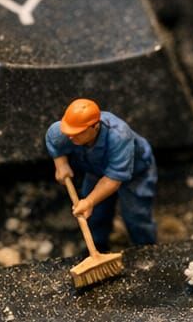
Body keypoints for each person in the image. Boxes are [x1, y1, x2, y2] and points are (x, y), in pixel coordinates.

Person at [46, 98, 157, 252]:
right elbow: (53, 139)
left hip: (135, 174)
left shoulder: (119, 136)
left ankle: (146, 250)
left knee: (136, 215)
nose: (70, 137)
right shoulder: (68, 130)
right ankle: (98, 247)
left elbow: (113, 180)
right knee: (95, 214)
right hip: (97, 171)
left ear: (94, 127)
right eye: (68, 132)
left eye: (77, 133)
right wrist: (61, 164)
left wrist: (90, 201)